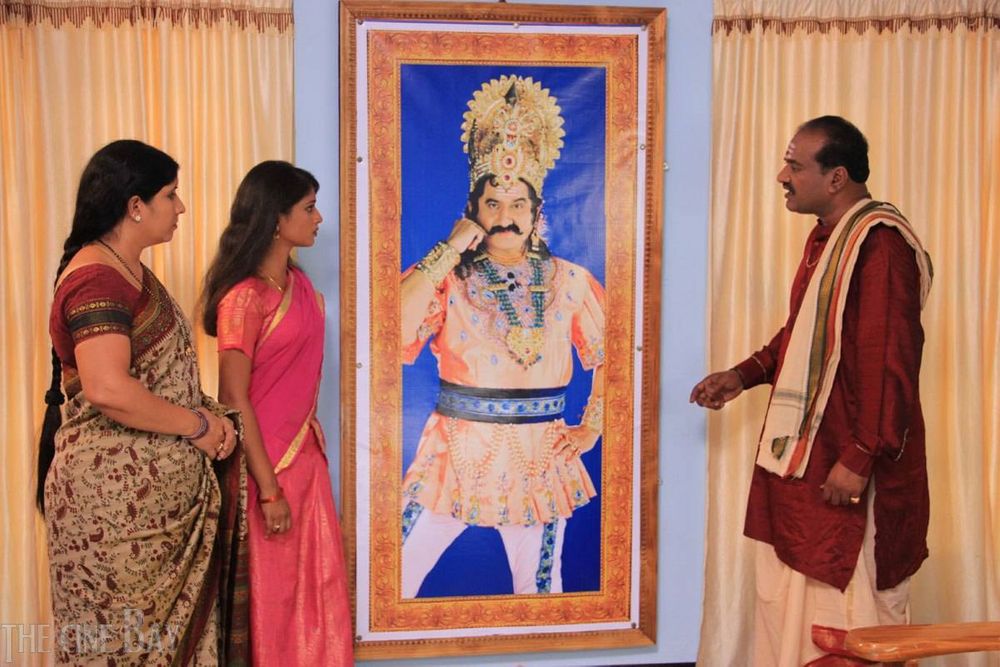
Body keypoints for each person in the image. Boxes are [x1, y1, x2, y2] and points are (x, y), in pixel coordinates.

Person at [690, 116, 934, 665]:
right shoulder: (829, 239)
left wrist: (860, 457)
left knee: (849, 605)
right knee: (792, 600)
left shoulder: (879, 246)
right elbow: (805, 331)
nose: (783, 176)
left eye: (795, 166)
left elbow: (891, 360)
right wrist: (744, 374)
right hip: (811, 459)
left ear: (836, 177)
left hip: (847, 467)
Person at [399, 74, 606, 597]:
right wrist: (449, 249)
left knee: (540, 594)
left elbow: (618, 356)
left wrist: (592, 427)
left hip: (541, 457)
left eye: (518, 206)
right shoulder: (446, 278)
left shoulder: (573, 281)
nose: (505, 218)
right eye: (493, 204)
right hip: (456, 450)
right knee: (392, 576)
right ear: (473, 211)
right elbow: (388, 331)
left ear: (537, 215)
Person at [39, 139, 243, 665]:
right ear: (136, 206)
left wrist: (210, 420)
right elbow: (108, 388)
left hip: (155, 522)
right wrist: (199, 425)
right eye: (170, 195)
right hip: (112, 524)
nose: (181, 207)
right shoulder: (97, 278)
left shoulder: (128, 271)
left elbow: (158, 382)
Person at [201, 161, 354, 665]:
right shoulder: (244, 299)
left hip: (306, 462)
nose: (318, 218)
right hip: (262, 469)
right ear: (276, 218)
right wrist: (268, 490)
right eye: (308, 208)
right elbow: (233, 397)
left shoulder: (299, 287)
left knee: (318, 590)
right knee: (275, 594)